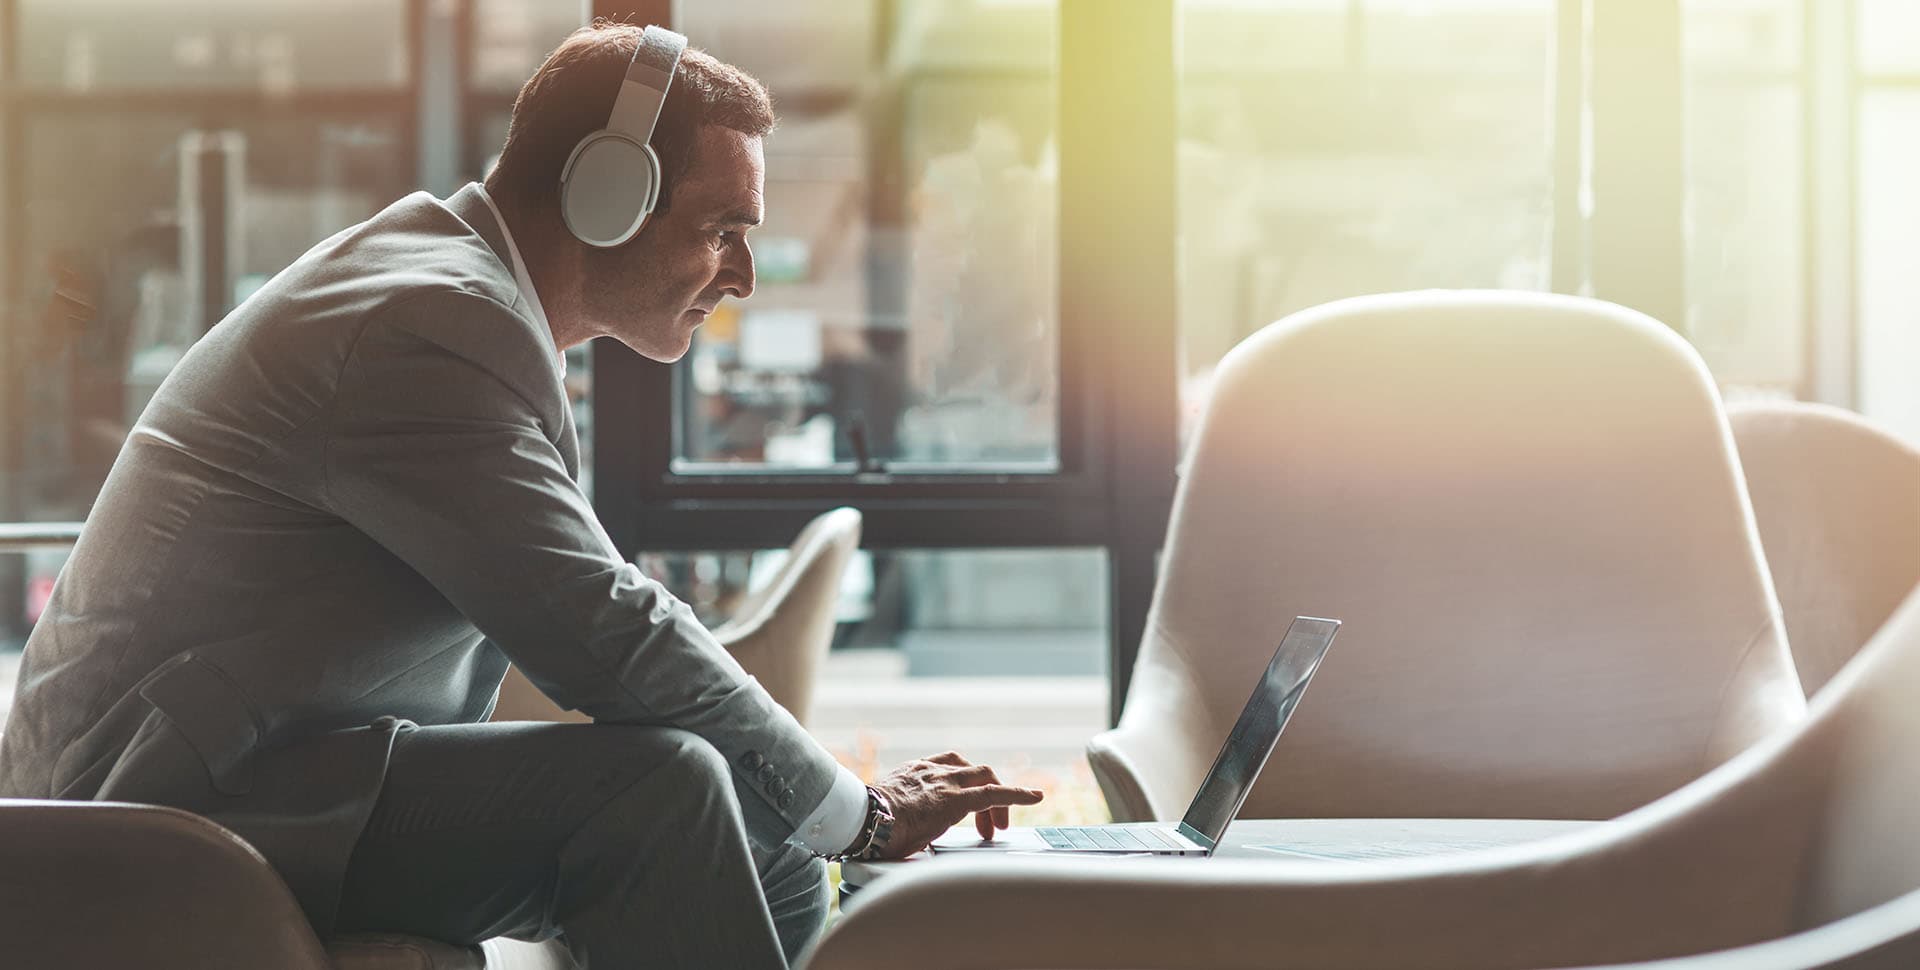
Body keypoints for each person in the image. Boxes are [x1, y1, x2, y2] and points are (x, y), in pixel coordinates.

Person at [0, 21, 1042, 969]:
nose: (744, 277)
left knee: (751, 820)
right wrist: (857, 813)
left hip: (271, 766)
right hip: (156, 811)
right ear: (606, 191)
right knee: (663, 791)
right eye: (724, 227)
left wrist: (815, 806)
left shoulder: (456, 297)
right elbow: (597, 624)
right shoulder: (426, 325)